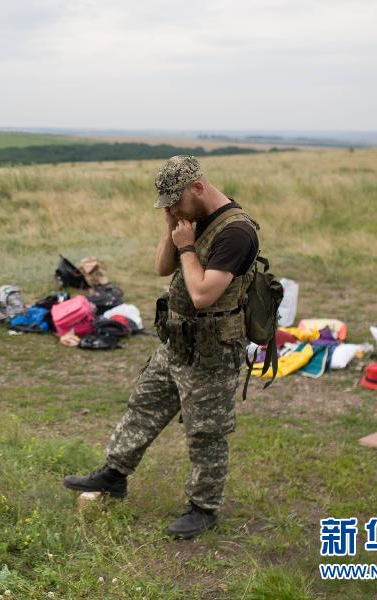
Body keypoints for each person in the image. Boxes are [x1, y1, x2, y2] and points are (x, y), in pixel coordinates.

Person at [63, 156, 260, 539]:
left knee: (206, 431)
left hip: (214, 351)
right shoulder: (189, 220)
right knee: (145, 405)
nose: (170, 208)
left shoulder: (237, 233)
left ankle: (204, 507)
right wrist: (171, 228)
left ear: (198, 188)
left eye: (175, 201)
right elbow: (160, 268)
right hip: (177, 341)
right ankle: (114, 474)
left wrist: (187, 247)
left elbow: (203, 294)